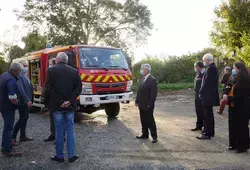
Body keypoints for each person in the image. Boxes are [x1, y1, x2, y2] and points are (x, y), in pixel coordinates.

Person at [45, 52, 82, 163]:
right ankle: (71, 156)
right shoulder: (74, 71)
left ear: (57, 60)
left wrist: (60, 102)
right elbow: (78, 88)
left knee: (59, 132)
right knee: (70, 131)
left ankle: (59, 156)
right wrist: (69, 101)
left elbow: (48, 88)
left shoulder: (51, 70)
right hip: (70, 107)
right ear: (66, 60)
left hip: (57, 107)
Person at [223, 62, 250, 153]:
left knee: (241, 126)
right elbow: (227, 87)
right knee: (232, 125)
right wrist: (225, 94)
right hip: (233, 105)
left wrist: (229, 97)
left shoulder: (245, 79)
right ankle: (233, 144)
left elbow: (241, 95)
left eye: (234, 68)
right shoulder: (233, 78)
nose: (233, 70)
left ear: (239, 69)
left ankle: (242, 146)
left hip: (242, 106)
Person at [0, 63, 22, 157]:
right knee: (8, 128)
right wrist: (18, 103)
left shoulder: (4, 75)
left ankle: (4, 146)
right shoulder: (11, 79)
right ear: (16, 71)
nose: (20, 73)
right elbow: (12, 96)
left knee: (6, 128)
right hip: (8, 107)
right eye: (20, 71)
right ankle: (8, 150)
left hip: (2, 104)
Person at [197, 53, 220, 140]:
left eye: (204, 60)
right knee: (208, 114)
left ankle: (207, 133)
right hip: (209, 95)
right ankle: (209, 131)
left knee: (207, 115)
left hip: (208, 95)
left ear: (207, 60)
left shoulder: (211, 68)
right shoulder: (212, 68)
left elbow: (206, 83)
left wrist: (200, 92)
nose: (203, 62)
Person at [12, 60, 34, 145]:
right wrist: (27, 100)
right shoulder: (19, 77)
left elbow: (28, 87)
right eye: (25, 66)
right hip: (22, 102)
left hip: (27, 101)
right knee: (22, 119)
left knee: (25, 118)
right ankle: (13, 137)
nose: (26, 67)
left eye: (27, 66)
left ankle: (23, 135)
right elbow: (21, 90)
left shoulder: (25, 76)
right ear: (20, 67)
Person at [135, 63, 158, 143]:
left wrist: (149, 104)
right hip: (141, 104)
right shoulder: (142, 79)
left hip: (148, 105)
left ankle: (154, 136)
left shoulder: (152, 80)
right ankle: (144, 134)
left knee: (150, 121)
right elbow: (139, 92)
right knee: (143, 120)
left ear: (147, 70)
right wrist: (137, 101)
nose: (141, 70)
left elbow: (153, 95)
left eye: (143, 69)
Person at [42, 59, 56, 142]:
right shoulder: (50, 72)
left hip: (53, 100)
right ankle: (53, 134)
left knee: (56, 118)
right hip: (52, 101)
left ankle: (58, 136)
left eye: (50, 64)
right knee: (52, 118)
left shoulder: (52, 72)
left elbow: (48, 87)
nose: (49, 65)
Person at [191, 62, 205, 131]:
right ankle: (198, 125)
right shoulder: (198, 73)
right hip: (197, 94)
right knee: (198, 110)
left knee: (203, 111)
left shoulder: (205, 73)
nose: (195, 68)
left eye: (196, 66)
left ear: (199, 66)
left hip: (202, 95)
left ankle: (204, 127)